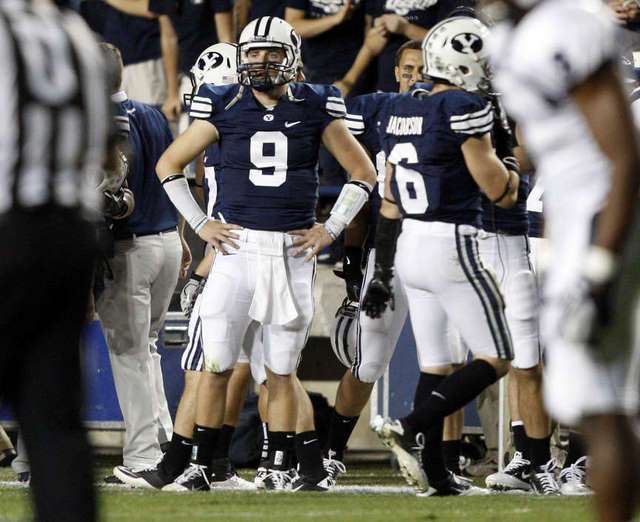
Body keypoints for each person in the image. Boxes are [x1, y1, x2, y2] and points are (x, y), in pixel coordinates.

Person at [156, 16, 376, 491]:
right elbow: (169, 165)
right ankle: (198, 465)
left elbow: (363, 173)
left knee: (280, 369)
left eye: (271, 52)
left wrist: (331, 228)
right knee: (215, 363)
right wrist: (201, 224)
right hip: (237, 249)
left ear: (292, 56)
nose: (261, 61)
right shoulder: (222, 101)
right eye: (253, 52)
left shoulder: (318, 104)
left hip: (291, 250)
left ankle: (279, 465)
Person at [485, 0, 640, 519]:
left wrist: (599, 265)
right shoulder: (507, 40)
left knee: (605, 404)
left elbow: (622, 158)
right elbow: (544, 151)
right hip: (571, 228)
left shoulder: (566, 27)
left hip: (606, 230)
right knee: (594, 404)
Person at [364, 16, 520, 496]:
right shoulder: (464, 105)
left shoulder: (397, 108)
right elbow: (499, 192)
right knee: (499, 356)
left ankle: (433, 474)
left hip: (409, 240)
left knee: (437, 363)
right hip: (452, 242)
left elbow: (388, 200)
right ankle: (412, 424)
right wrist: (511, 161)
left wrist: (384, 271)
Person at [0, 0, 111, 520]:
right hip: (69, 234)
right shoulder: (74, 33)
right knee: (56, 426)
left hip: (6, 227)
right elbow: (104, 153)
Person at [97, 43, 186, 475]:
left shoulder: (105, 121)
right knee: (146, 349)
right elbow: (176, 176)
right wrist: (183, 237)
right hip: (168, 239)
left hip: (131, 248)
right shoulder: (153, 113)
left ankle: (142, 456)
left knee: (129, 353)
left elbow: (115, 185)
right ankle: (163, 442)